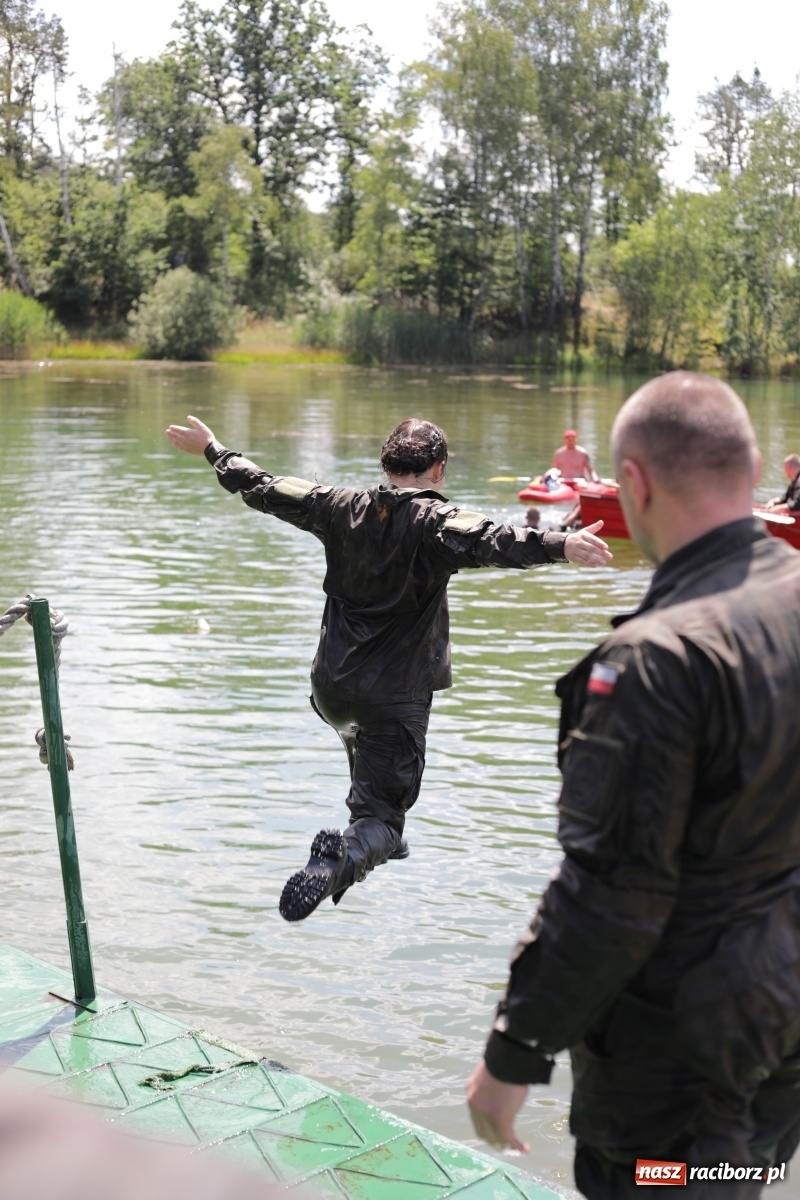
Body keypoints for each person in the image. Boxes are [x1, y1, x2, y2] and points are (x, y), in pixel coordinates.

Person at [466, 371, 800, 1198]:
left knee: (665, 1182)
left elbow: (613, 891)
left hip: (680, 1047)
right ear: (754, 469)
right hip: (785, 1012)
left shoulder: (656, 659)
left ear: (634, 484)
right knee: (738, 1175)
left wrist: (515, 1052)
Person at [165, 415, 612, 923]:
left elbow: (263, 486)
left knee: (373, 778)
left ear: (385, 465)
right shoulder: (434, 522)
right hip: (392, 697)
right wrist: (562, 545)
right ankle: (353, 850)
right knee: (383, 817)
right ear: (438, 470)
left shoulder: (336, 505)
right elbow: (493, 538)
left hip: (332, 690)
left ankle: (375, 831)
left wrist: (213, 449)